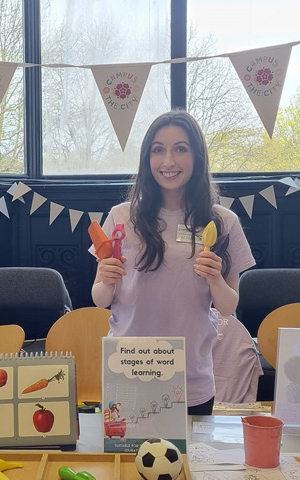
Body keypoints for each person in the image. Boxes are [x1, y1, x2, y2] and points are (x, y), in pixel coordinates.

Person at [91, 110, 256, 416]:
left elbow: (228, 307)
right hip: (127, 368)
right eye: (158, 150)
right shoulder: (120, 216)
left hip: (190, 377)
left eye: (180, 149)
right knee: (125, 461)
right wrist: (105, 277)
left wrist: (215, 279)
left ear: (197, 156)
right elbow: (100, 299)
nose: (168, 161)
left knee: (187, 463)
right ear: (146, 158)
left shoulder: (223, 221)